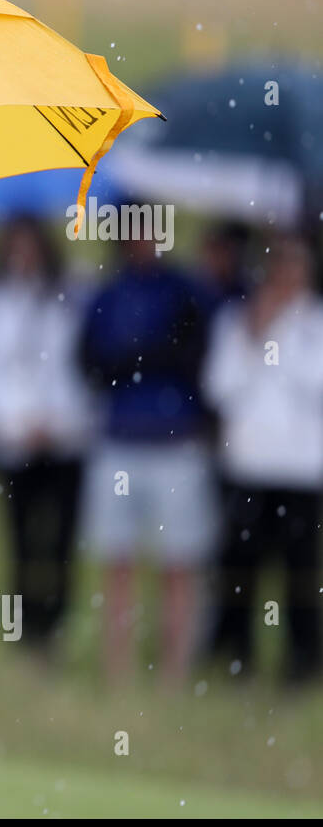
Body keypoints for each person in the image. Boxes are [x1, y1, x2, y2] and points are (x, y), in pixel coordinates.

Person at [77, 233, 219, 688]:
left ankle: (175, 671)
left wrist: (145, 355)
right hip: (120, 440)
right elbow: (89, 362)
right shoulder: (108, 294)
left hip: (176, 442)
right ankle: (118, 669)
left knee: (179, 561)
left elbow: (200, 355)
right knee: (117, 561)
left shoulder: (185, 291)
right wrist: (142, 356)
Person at [0, 215, 92, 651]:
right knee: (18, 536)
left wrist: (58, 419)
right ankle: (23, 628)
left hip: (65, 437)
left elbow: (81, 366)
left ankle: (55, 625)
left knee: (62, 538)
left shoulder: (71, 295)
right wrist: (12, 421)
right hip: (13, 439)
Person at [201, 232, 323, 684]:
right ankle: (236, 657)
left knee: (300, 572)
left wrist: (285, 332)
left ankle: (302, 663)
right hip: (248, 467)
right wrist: (258, 333)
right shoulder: (237, 321)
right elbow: (220, 387)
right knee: (240, 568)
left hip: (301, 470)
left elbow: (312, 385)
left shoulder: (315, 324)